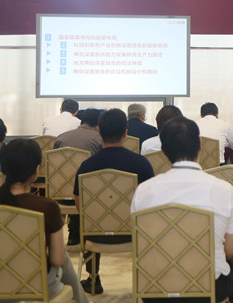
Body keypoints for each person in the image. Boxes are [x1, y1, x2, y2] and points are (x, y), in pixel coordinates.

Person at [130, 116, 233, 303]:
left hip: (154, 288)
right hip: (206, 289)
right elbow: (230, 250)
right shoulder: (223, 189)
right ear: (200, 143)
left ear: (164, 151)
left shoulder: (143, 191)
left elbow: (139, 244)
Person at [73, 108, 154, 294]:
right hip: (134, 233)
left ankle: (93, 278)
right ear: (125, 133)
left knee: (90, 219)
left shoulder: (87, 166)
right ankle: (146, 281)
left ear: (99, 131)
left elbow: (80, 205)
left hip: (94, 235)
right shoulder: (141, 163)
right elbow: (150, 202)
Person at [0, 139, 89, 303]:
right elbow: (56, 260)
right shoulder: (47, 207)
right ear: (37, 170)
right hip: (38, 287)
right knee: (61, 254)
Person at [53, 108, 103, 245]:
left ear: (81, 121)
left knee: (73, 179)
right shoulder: (99, 139)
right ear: (98, 126)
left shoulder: (61, 137)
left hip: (59, 192)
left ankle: (74, 234)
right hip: (87, 194)